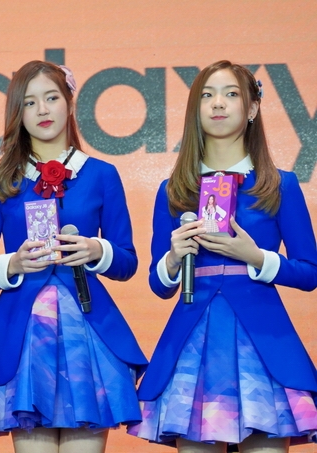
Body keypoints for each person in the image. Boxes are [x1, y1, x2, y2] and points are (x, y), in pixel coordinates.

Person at [128, 60, 317, 452]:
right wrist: (173, 259)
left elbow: (309, 271)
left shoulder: (280, 184)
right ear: (195, 109)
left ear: (252, 108)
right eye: (207, 95)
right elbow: (158, 285)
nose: (218, 103)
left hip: (263, 340)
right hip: (193, 340)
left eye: (231, 94)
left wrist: (257, 257)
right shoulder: (173, 189)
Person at [0, 60, 148, 453]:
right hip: (23, 334)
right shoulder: (1, 181)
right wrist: (12, 264)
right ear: (18, 113)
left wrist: (96, 250)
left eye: (51, 98)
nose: (43, 110)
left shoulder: (101, 174)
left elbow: (127, 261)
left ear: (69, 103)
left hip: (88, 328)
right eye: (30, 103)